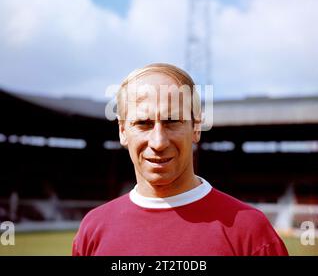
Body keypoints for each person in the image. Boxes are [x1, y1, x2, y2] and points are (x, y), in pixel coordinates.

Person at [72, 63, 288, 256]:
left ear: (196, 127)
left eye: (172, 121)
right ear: (122, 131)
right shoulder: (93, 229)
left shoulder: (251, 232)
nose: (158, 142)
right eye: (143, 123)